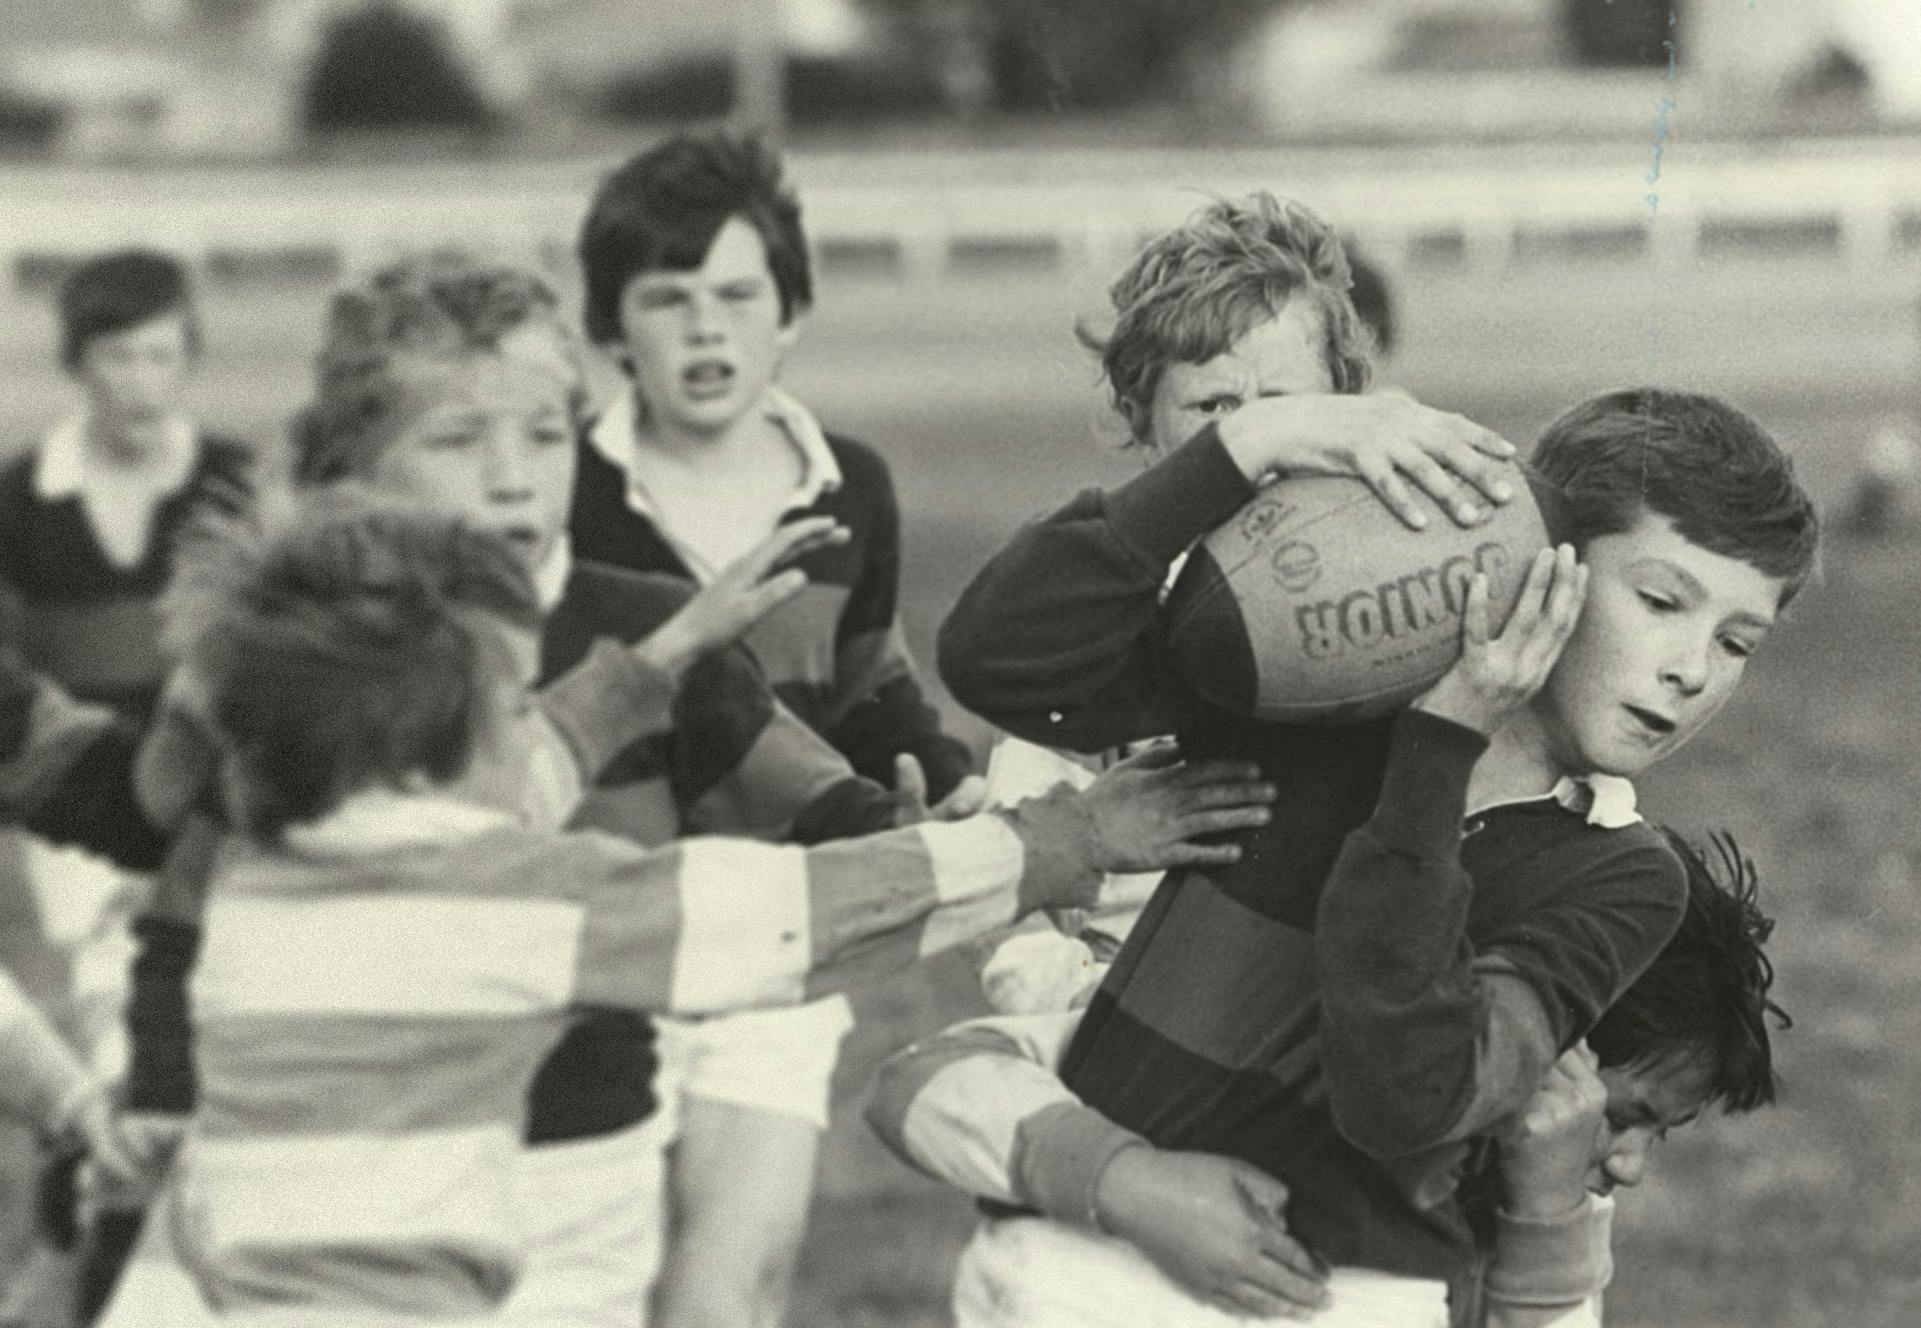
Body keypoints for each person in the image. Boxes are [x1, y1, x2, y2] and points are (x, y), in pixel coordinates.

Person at [937, 192, 1820, 1323]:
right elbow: (1001, 657)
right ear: (1534, 551)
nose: (1692, 666)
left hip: (1356, 1296)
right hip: (1089, 1276)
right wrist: (1246, 444)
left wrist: (1437, 749)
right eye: (1659, 600)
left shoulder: (1620, 876)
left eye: (1735, 639)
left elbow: (1408, 1094)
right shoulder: (1304, 690)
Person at [160, 496, 1274, 1323]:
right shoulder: (505, 901)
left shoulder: (270, 875)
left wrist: (653, 667)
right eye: (511, 699)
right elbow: (797, 913)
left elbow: (511, 777)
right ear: (423, 750)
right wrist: (1063, 841)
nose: (534, 720)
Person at [571, 128, 983, 1328]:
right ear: (612, 329)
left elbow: (870, 681)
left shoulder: (846, 486)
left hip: (778, 928)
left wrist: (939, 773)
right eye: (668, 299)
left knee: (735, 1281)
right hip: (605, 939)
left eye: (737, 295)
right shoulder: (562, 492)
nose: (705, 329)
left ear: (789, 312)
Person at [867, 825, 1788, 1328]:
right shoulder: (1270, 1044)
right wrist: (1128, 1182)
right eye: (1624, 1115)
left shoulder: (1537, 1199)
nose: (1624, 1164)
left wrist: (1545, 1226)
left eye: (1653, 1135)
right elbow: (925, 1078)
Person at [0, 247, 253, 1325]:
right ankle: (82, 1232)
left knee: (171, 1039)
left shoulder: (234, 486)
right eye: (120, 356)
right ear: (80, 365)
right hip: (72, 807)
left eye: (163, 355)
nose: (143, 380)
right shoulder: (21, 499)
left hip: (187, 798)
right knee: (107, 1037)